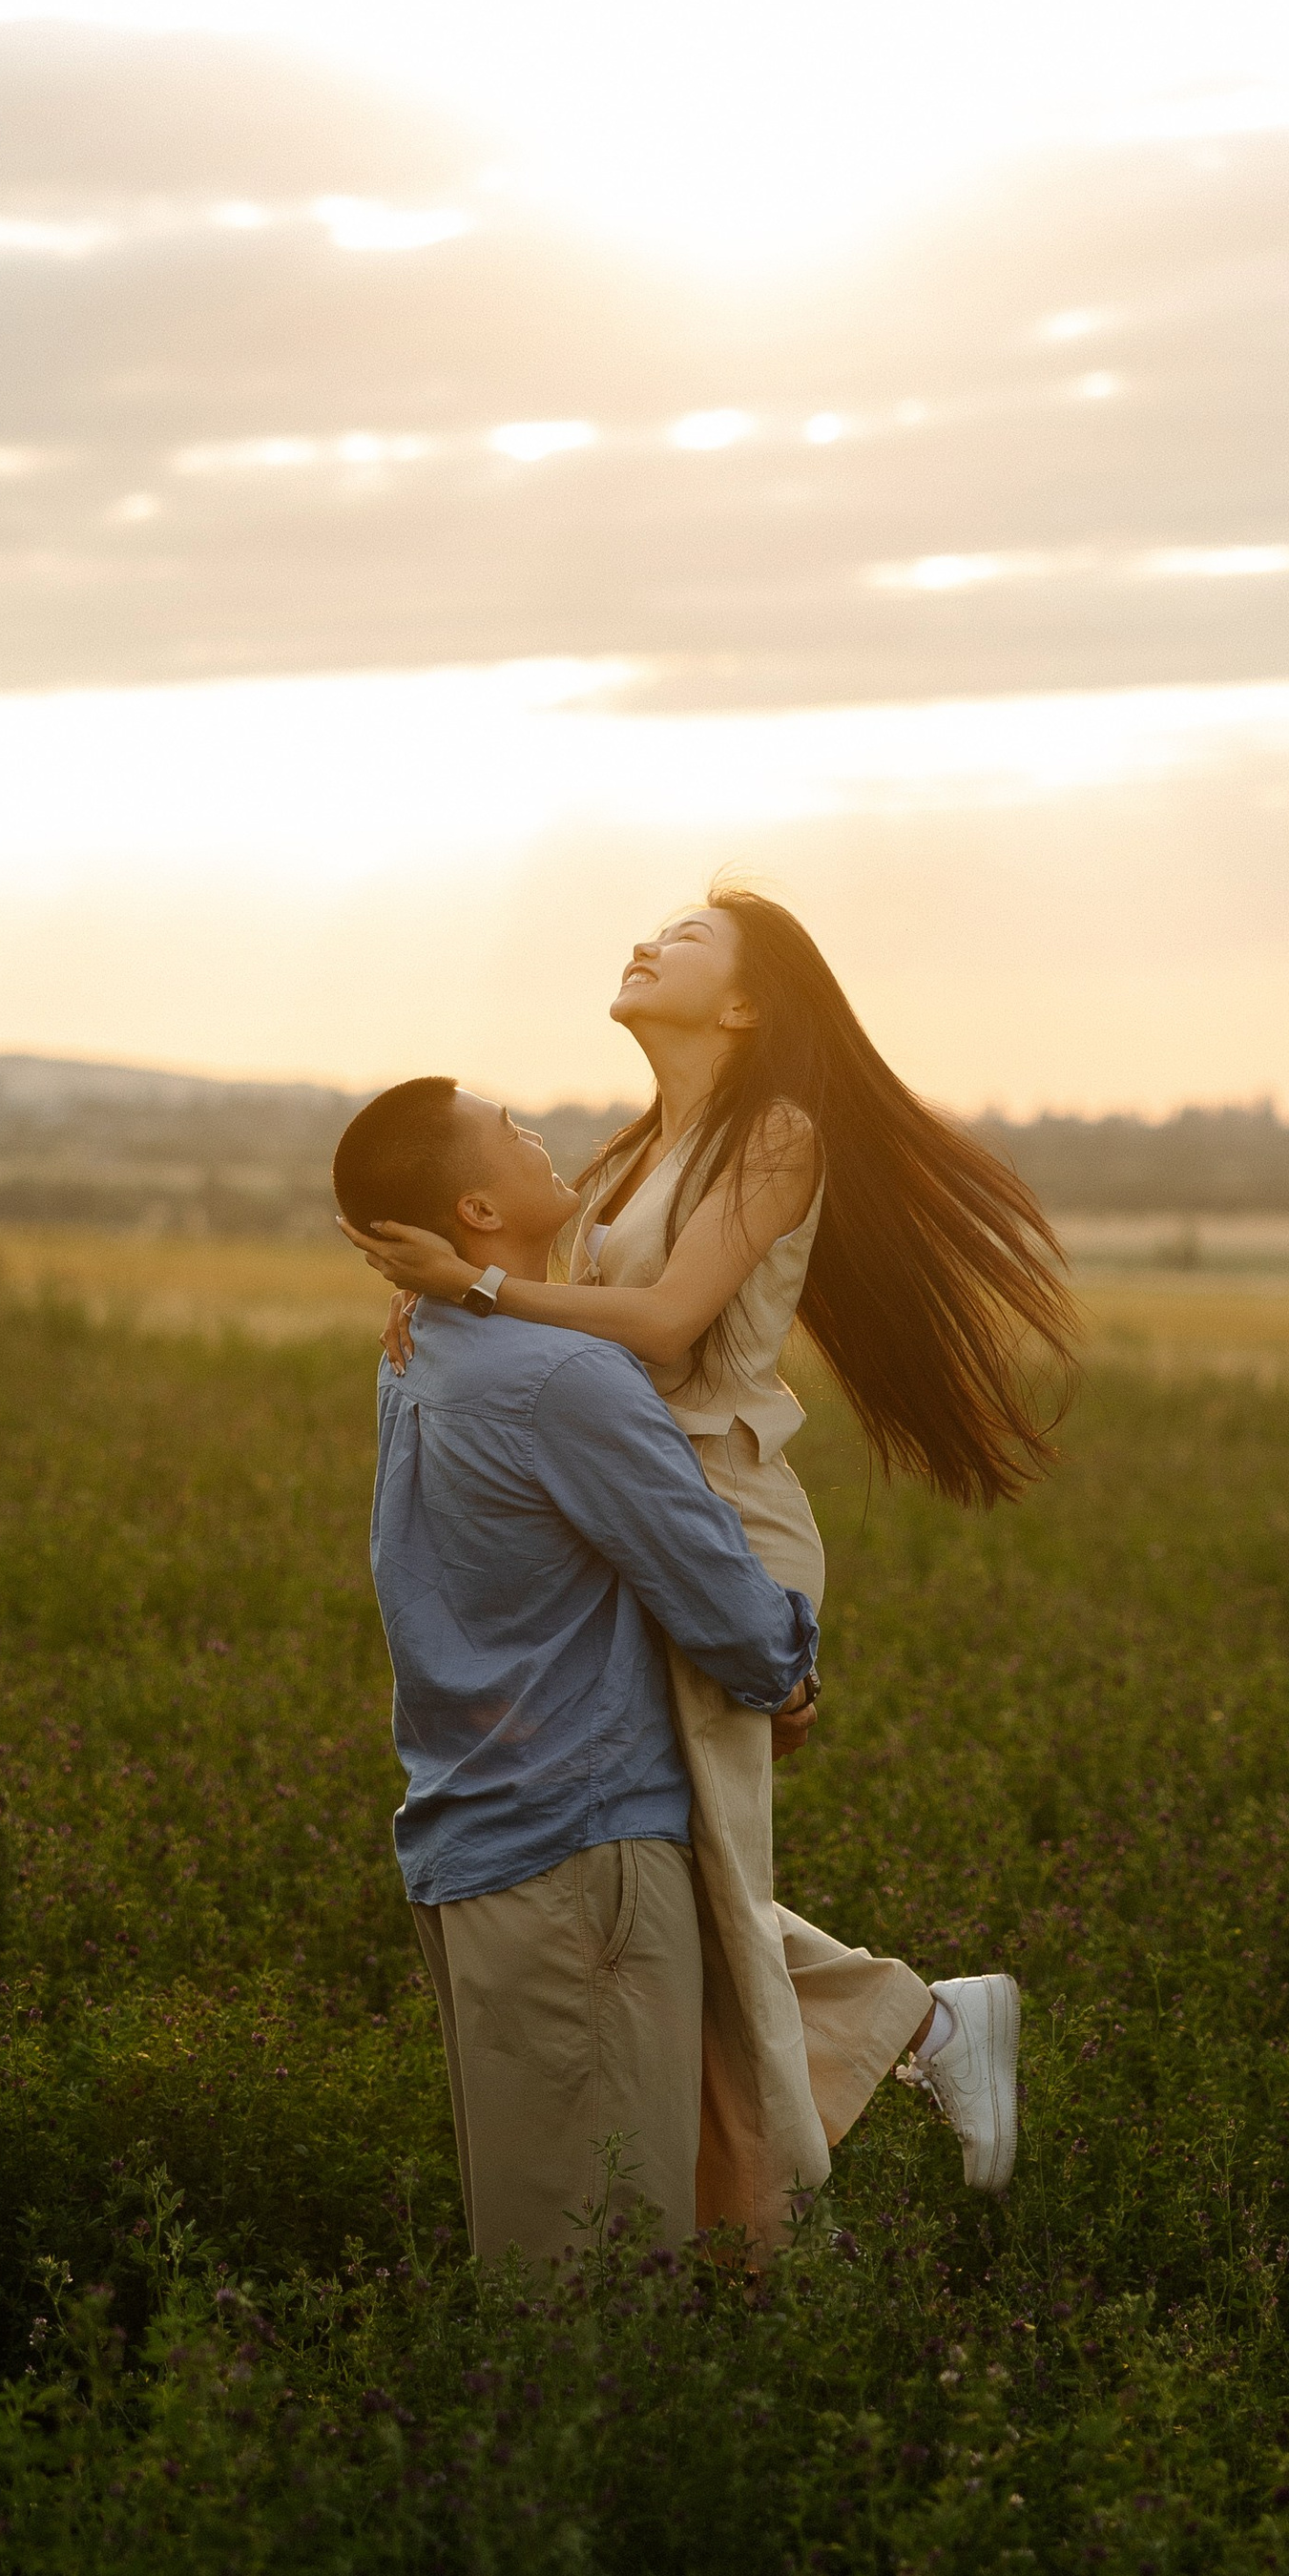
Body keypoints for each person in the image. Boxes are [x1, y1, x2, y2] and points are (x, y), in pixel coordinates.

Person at [341, 890, 1071, 2250]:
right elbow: (566, 1289)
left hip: (720, 1516)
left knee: (689, 1875)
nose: (645, 940)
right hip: (641, 1510)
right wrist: (438, 1287)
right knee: (679, 1874)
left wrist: (477, 1290)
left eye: (685, 937)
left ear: (745, 1004)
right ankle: (877, 2071)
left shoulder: (775, 1135)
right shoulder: (639, 1151)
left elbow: (666, 1330)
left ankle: (872, 2090)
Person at [335, 1074, 819, 2266]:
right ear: (476, 1211)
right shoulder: (561, 1378)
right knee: (601, 2277)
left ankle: (918, 2019)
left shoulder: (420, 1351)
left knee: (541, 2243)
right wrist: (791, 1672)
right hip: (577, 1854)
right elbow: (714, 1589)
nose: (539, 1137)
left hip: (473, 1843)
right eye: (510, 1134)